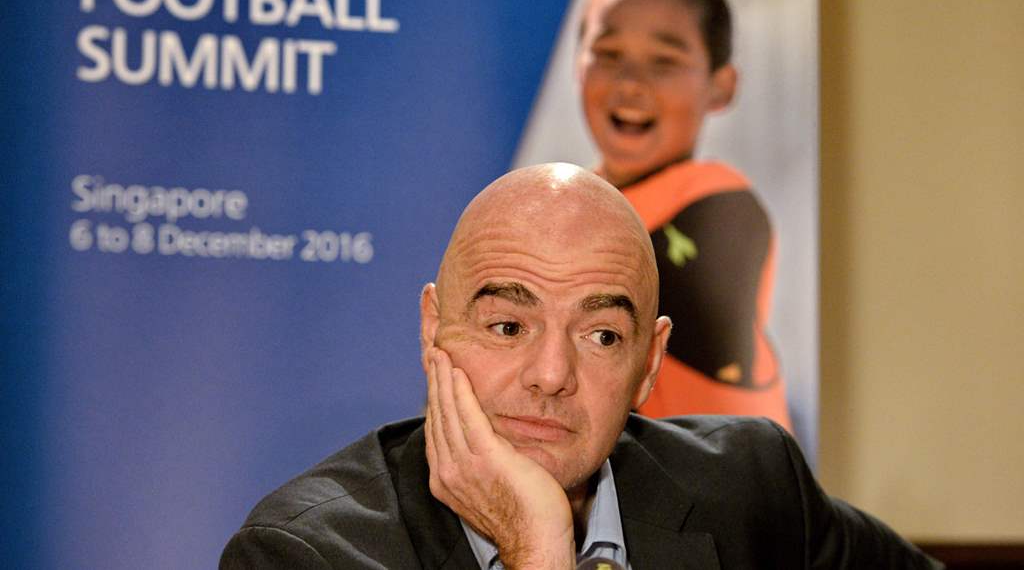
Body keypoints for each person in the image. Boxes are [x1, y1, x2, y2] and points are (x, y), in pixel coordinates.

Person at [220, 163, 940, 569]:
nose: (550, 373)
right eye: (509, 324)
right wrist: (536, 549)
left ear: (651, 362)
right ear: (434, 329)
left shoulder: (750, 485)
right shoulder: (304, 554)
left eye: (600, 336)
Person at [577, 0, 791, 428]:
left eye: (664, 61)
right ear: (577, 63)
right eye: (608, 54)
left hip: (719, 493)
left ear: (721, 86)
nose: (630, 83)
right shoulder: (564, 202)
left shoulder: (723, 207)